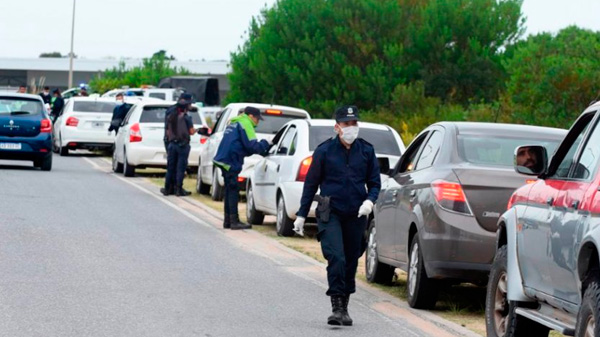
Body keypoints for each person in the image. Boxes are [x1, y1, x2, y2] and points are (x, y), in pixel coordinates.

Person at [294, 105, 381, 326]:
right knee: (337, 257)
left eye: (354, 123)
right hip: (330, 211)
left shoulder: (367, 151)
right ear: (337, 127)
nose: (351, 128)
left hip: (356, 213)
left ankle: (345, 305)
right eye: (346, 124)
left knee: (351, 260)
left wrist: (370, 201)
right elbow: (311, 184)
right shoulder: (324, 151)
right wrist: (302, 215)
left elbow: (374, 183)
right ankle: (337, 307)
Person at [213, 106, 270, 230]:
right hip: (231, 160)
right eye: (257, 119)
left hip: (223, 158)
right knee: (233, 190)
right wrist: (265, 144)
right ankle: (234, 221)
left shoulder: (235, 122)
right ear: (250, 116)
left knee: (229, 189)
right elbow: (252, 146)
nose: (257, 122)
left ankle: (228, 220)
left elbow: (241, 145)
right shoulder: (245, 124)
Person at [161, 94, 196, 197]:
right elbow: (191, 131)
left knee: (170, 167)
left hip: (171, 143)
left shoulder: (171, 115)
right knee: (181, 167)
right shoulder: (186, 118)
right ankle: (178, 189)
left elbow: (167, 130)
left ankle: (167, 188)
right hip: (182, 145)